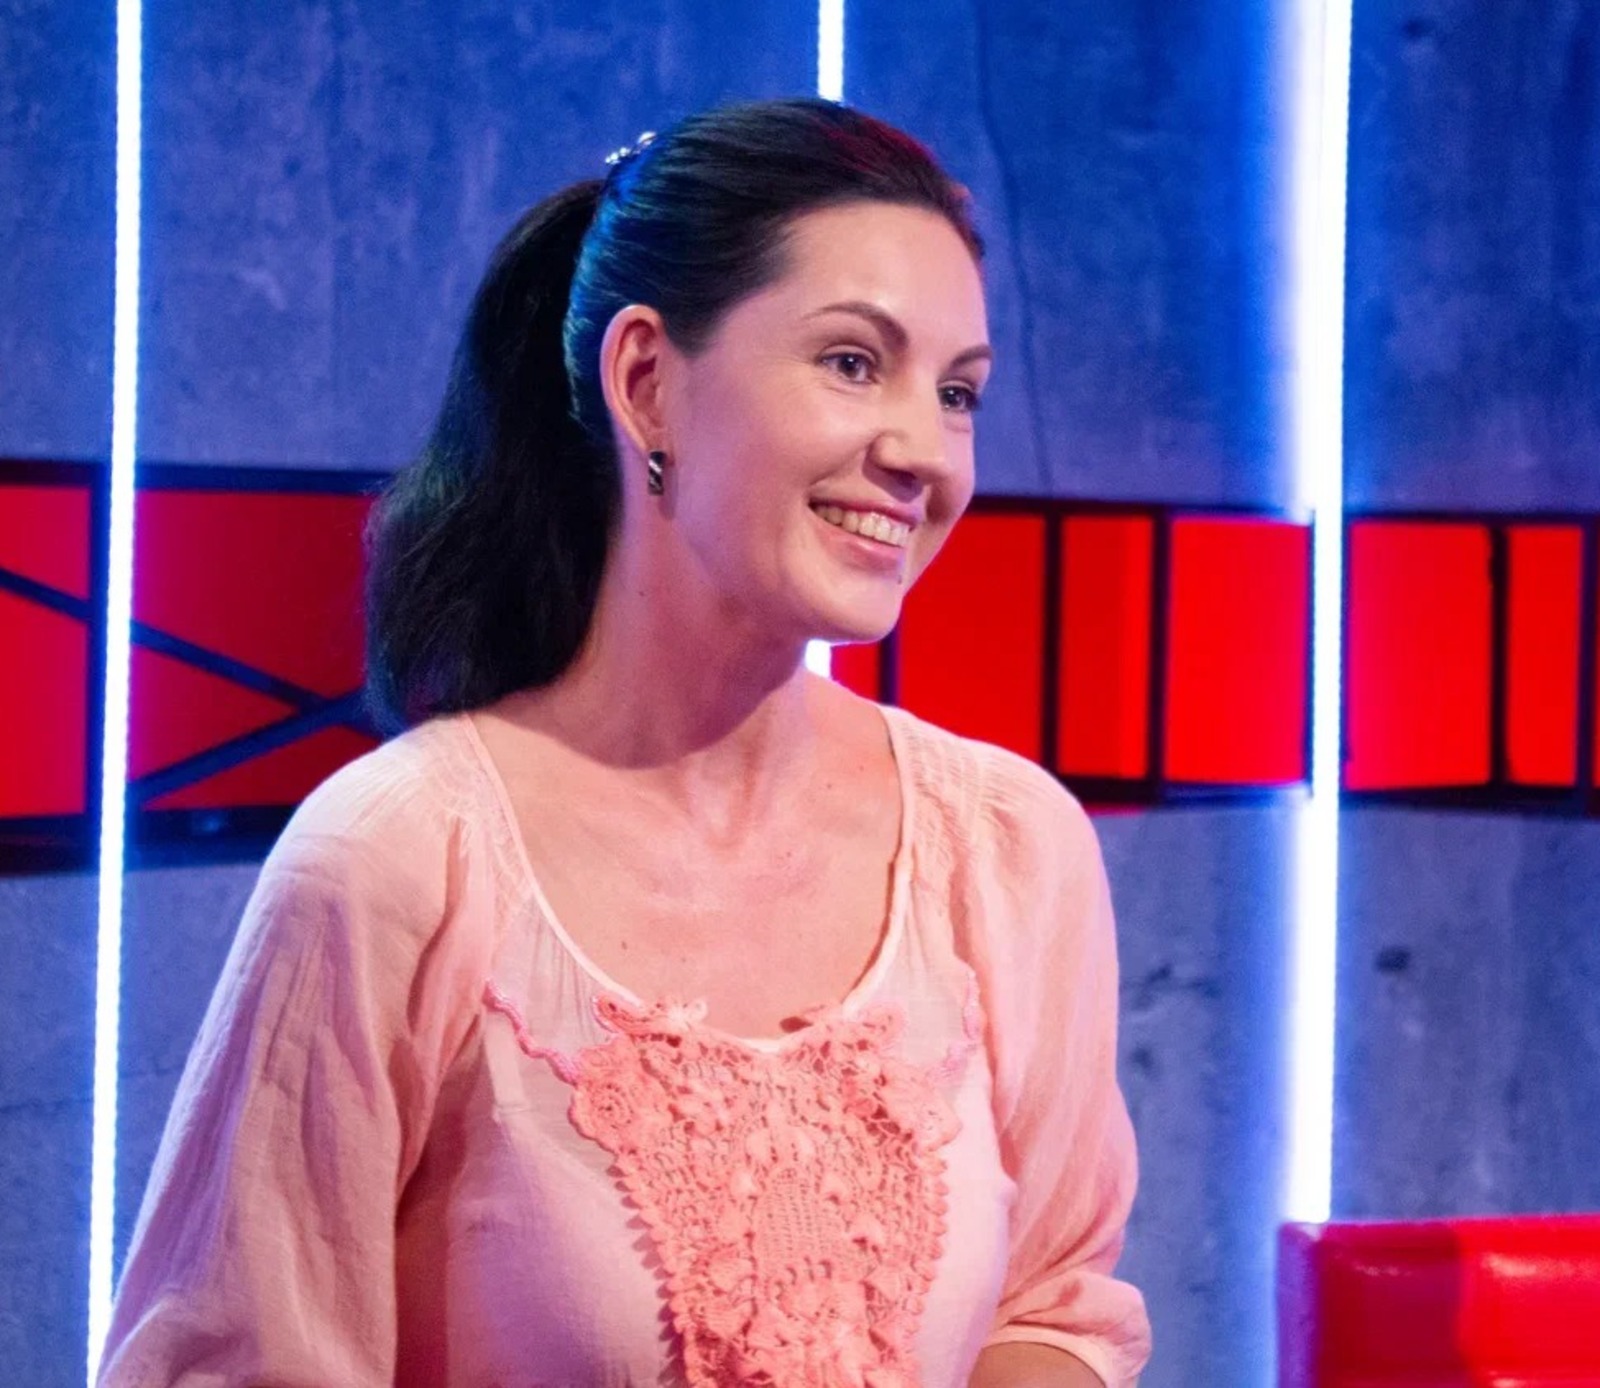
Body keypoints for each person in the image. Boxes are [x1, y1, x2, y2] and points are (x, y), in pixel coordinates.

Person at [99, 98, 1151, 1387]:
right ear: (647, 380)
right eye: (850, 363)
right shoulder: (399, 859)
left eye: (957, 393)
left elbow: (1053, 1305)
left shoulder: (1007, 846)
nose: (921, 453)